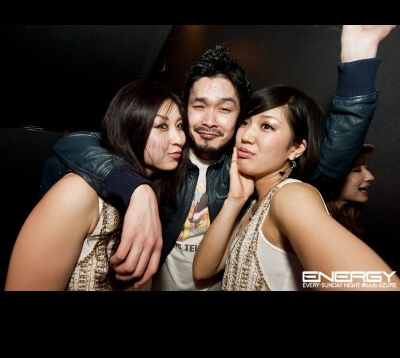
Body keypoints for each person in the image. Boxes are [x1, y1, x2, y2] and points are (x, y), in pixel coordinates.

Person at [46, 25, 396, 290]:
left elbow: (329, 158)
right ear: (185, 108)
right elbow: (79, 143)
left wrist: (358, 63)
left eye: (226, 109)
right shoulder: (165, 156)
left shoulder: (246, 167)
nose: (210, 120)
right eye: (199, 106)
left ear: (241, 115)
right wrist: (136, 189)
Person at [192, 85, 400, 291]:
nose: (246, 136)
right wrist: (234, 200)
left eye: (267, 126)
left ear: (296, 149)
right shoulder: (254, 202)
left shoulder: (291, 196)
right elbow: (202, 270)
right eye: (245, 123)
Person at [5, 80, 189, 291]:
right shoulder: (76, 193)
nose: (179, 139)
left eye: (180, 126)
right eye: (162, 126)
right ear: (130, 127)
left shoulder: (155, 200)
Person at [321, 143, 375, 239]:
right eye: (357, 170)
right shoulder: (314, 222)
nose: (370, 177)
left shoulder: (345, 220)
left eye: (367, 169)